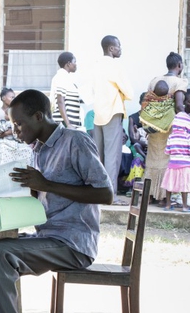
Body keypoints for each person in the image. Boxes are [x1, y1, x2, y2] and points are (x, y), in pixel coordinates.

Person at [0, 89, 113, 313]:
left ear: (38, 116)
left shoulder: (75, 141)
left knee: (1, 254)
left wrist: (45, 185)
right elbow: (46, 197)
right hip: (50, 236)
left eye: (19, 124)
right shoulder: (39, 150)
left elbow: (105, 193)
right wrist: (21, 192)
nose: (16, 130)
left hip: (74, 242)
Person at [92, 35, 133, 201]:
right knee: (112, 156)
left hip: (98, 113)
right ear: (111, 48)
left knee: (98, 156)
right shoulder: (115, 66)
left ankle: (97, 193)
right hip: (112, 112)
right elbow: (129, 91)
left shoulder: (96, 65)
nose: (120, 49)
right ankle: (111, 196)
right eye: (118, 46)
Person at [143, 53, 187, 206]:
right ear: (179, 65)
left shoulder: (154, 80)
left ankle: (149, 195)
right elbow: (179, 106)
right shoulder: (180, 82)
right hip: (169, 128)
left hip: (153, 126)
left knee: (152, 160)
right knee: (166, 161)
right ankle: (162, 197)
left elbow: (148, 101)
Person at [0, 87, 33, 166]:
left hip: (17, 140)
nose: (14, 99)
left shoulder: (18, 112)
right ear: (4, 98)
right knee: (3, 149)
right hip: (3, 141)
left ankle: (24, 172)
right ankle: (4, 172)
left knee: (28, 150)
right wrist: (7, 133)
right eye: (12, 97)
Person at [161, 97, 190, 212]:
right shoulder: (187, 137)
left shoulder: (171, 137)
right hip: (185, 165)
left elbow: (167, 151)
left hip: (172, 165)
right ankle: (184, 206)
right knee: (184, 186)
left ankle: (168, 205)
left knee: (169, 185)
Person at [49, 51, 82, 128]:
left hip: (69, 125)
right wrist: (68, 124)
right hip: (64, 125)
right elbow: (60, 101)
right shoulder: (62, 77)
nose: (76, 64)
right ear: (68, 64)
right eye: (74, 62)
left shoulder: (66, 78)